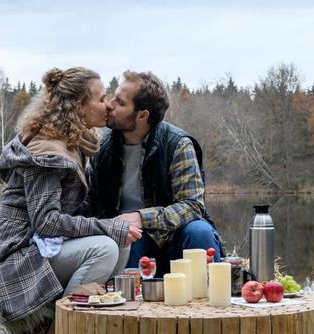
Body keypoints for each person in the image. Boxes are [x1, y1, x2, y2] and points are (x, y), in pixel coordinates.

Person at [0, 67, 142, 323]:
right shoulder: (48, 151)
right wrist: (107, 226)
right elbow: (46, 222)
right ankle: (59, 333)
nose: (108, 106)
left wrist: (113, 227)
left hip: (41, 245)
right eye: (100, 99)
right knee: (106, 248)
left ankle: (94, 319)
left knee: (120, 243)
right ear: (78, 106)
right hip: (15, 253)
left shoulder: (73, 143)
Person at [84, 70, 223, 274]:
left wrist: (141, 217)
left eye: (120, 103)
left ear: (142, 115)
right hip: (127, 237)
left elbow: (192, 206)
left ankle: (204, 299)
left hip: (173, 236)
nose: (109, 105)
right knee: (124, 240)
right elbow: (90, 205)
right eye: (113, 97)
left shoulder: (177, 144)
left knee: (199, 231)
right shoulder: (102, 148)